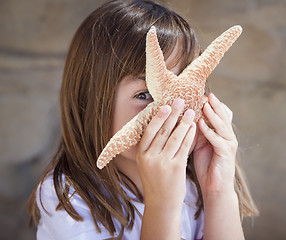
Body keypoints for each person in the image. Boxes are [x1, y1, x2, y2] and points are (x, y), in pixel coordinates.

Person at [27, 0, 259, 239]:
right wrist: (163, 203)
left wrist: (218, 191)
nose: (173, 109)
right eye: (146, 94)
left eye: (186, 88)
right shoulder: (67, 197)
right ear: (91, 101)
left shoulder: (196, 185)